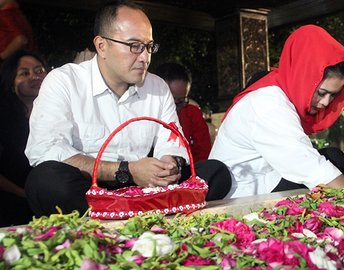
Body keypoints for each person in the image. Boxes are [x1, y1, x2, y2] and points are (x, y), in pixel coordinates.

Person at [24, 0, 231, 217]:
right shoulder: (64, 81)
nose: (145, 57)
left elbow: (172, 143)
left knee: (215, 172)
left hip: (146, 190)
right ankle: (141, 214)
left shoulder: (157, 87)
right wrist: (127, 171)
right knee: (45, 179)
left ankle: (141, 211)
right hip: (89, 193)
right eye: (134, 46)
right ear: (102, 46)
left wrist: (170, 164)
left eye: (149, 47)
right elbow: (45, 150)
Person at [209, 25, 344, 198]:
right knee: (333, 163)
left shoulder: (279, 94)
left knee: (333, 159)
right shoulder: (267, 103)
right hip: (242, 195)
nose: (325, 102)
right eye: (321, 93)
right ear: (303, 77)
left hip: (268, 180)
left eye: (333, 95)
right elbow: (307, 165)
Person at [0, 50, 48, 226]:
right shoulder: (4, 118)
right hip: (13, 202)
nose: (34, 77)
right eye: (24, 73)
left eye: (39, 70)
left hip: (53, 198)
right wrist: (24, 194)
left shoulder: (61, 113)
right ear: (11, 82)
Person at [155, 63, 212, 162]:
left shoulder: (192, 114)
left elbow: (203, 156)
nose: (174, 107)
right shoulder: (144, 113)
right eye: (171, 101)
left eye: (181, 101)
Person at [0, 0, 35, 65]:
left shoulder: (4, 14)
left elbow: (21, 40)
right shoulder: (18, 14)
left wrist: (1, 58)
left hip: (8, 64)